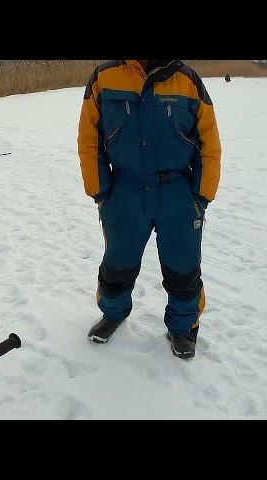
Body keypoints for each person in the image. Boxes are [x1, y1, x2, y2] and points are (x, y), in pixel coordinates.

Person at [77, 60, 222, 359]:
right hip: (124, 191)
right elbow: (89, 140)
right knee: (118, 263)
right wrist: (101, 191)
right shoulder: (104, 77)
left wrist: (201, 195)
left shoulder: (188, 80)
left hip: (178, 193)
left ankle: (183, 328)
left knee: (183, 268)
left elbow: (210, 142)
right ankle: (113, 313)